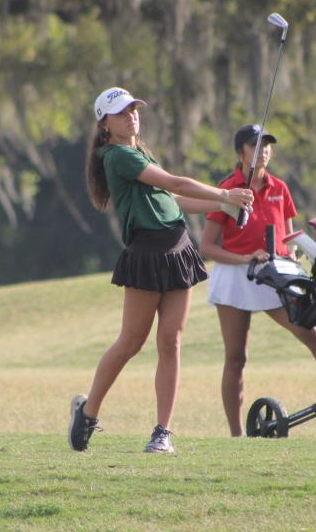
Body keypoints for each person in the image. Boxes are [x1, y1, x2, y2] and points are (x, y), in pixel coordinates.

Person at [69, 87, 254, 453]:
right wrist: (225, 195)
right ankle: (88, 413)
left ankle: (162, 432)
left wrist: (227, 209)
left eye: (134, 110)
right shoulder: (117, 156)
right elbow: (175, 182)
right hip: (146, 254)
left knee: (171, 342)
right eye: (122, 112)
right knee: (130, 343)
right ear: (104, 124)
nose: (131, 116)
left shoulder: (140, 152)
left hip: (177, 249)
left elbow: (175, 201)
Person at [198, 124, 316, 436]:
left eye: (267, 144)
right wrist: (245, 258)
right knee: (236, 358)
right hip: (235, 277)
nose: (264, 150)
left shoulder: (280, 187)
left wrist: (292, 257)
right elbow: (207, 247)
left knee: (314, 336)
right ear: (241, 151)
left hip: (277, 274)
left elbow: (289, 233)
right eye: (256, 144)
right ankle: (236, 435)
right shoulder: (228, 189)